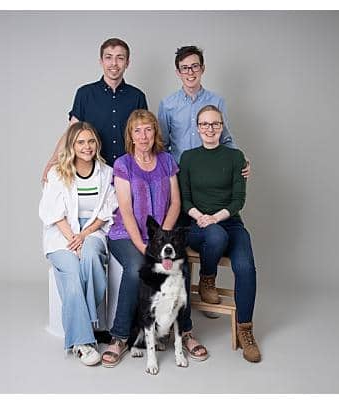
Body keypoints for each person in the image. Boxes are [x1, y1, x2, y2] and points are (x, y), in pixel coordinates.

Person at [100, 109, 208, 367]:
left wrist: (162, 239)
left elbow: (175, 203)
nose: (143, 135)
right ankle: (120, 337)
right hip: (126, 234)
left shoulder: (167, 161)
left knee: (180, 269)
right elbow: (125, 209)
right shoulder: (123, 164)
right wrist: (142, 244)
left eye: (148, 129)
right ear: (131, 135)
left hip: (161, 236)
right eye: (137, 130)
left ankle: (187, 332)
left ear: (155, 133)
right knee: (137, 266)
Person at [179, 105, 260, 362]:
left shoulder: (236, 157)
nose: (210, 129)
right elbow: (184, 199)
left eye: (215, 124)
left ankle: (245, 330)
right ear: (198, 128)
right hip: (198, 226)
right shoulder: (189, 157)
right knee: (215, 236)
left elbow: (238, 200)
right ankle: (207, 278)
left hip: (229, 222)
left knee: (246, 267)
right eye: (205, 124)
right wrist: (200, 217)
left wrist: (216, 217)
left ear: (222, 126)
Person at [38, 122, 118, 366]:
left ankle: (81, 322)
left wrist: (85, 235)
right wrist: (73, 236)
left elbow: (107, 210)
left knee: (93, 256)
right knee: (71, 271)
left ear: (97, 144)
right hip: (61, 232)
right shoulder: (57, 172)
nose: (87, 147)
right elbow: (51, 212)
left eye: (91, 141)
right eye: (81, 142)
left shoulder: (106, 172)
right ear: (72, 145)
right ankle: (83, 341)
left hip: (93, 230)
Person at [44, 38, 148, 183]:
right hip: (93, 173)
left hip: (129, 174)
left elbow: (144, 137)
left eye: (120, 58)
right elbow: (71, 132)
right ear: (101, 62)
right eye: (108, 57)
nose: (114, 63)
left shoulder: (137, 96)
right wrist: (52, 163)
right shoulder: (85, 94)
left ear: (127, 63)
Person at [157, 45, 251, 178]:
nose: (190, 72)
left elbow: (225, 138)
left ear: (202, 69)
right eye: (185, 68)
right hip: (179, 173)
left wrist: (240, 159)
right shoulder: (167, 105)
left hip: (211, 171)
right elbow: (163, 145)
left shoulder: (217, 102)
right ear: (178, 72)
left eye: (195, 66)